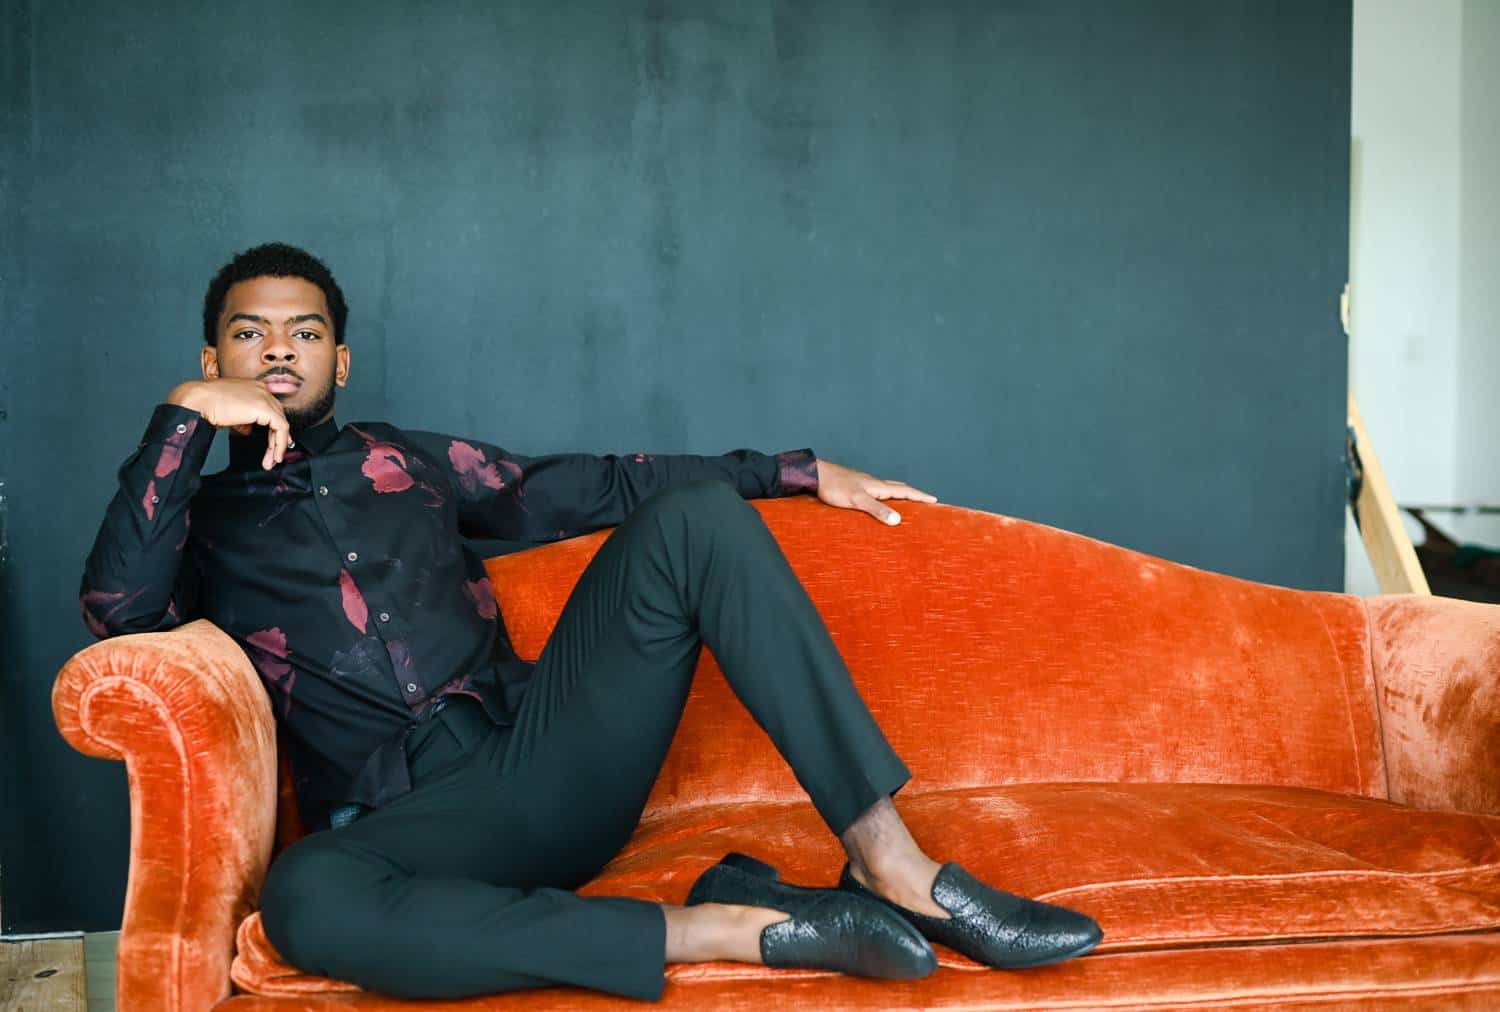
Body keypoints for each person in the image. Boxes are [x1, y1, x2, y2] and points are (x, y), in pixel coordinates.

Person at [80, 242, 1101, 1001]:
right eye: (248, 333)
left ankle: (894, 864)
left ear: (340, 361)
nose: (276, 353)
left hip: (545, 757)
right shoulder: (197, 521)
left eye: (303, 332)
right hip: (412, 832)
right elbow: (117, 608)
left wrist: (793, 472)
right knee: (304, 901)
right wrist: (180, 416)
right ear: (213, 354)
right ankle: (728, 924)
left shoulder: (409, 464)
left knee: (691, 520)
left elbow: (594, 484)